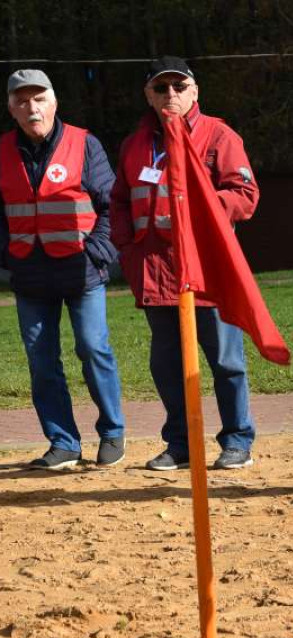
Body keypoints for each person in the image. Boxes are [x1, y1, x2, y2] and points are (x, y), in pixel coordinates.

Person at [111, 56, 259, 471]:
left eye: (179, 86)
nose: (170, 95)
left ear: (195, 91)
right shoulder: (134, 144)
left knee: (225, 361)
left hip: (208, 269)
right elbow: (119, 201)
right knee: (167, 366)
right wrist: (127, 246)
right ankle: (181, 444)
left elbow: (245, 196)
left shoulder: (219, 136)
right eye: (161, 88)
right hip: (156, 273)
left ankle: (237, 441)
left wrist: (200, 209)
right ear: (149, 96)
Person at [0, 69, 125, 470]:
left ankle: (112, 432)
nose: (31, 107)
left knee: (93, 348)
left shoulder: (84, 143)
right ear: (11, 108)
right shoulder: (1, 150)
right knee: (41, 362)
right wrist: (7, 256)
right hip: (29, 275)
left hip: (81, 271)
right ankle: (64, 442)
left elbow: (112, 205)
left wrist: (97, 252)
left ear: (54, 102)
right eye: (21, 100)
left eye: (38, 98)